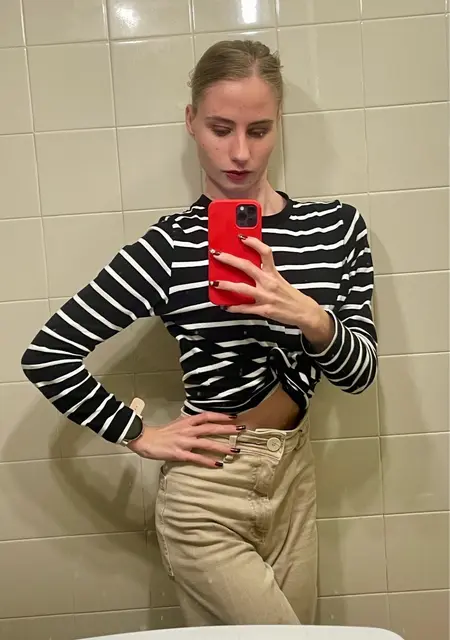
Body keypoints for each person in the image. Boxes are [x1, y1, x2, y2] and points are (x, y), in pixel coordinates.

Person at [21, 40, 377, 626]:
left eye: (259, 130)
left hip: (295, 479)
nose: (240, 152)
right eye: (220, 128)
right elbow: (48, 355)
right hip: (207, 491)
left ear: (280, 123)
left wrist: (312, 318)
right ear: (191, 122)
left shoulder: (337, 229)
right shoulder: (169, 246)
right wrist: (139, 433)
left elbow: (359, 376)